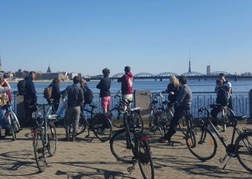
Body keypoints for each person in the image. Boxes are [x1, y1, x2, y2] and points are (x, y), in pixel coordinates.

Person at [162, 75, 192, 144]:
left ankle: (167, 137)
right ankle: (169, 135)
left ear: (180, 81)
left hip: (183, 107)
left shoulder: (184, 89)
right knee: (175, 120)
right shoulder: (187, 87)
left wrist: (174, 101)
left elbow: (179, 99)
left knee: (173, 121)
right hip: (185, 107)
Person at [62, 76, 84, 142]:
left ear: (73, 80)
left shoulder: (69, 87)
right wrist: (80, 105)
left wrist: (64, 105)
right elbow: (82, 100)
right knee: (76, 122)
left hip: (69, 107)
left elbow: (63, 96)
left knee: (68, 122)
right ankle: (74, 137)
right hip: (77, 107)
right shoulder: (80, 89)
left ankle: (67, 136)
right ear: (78, 82)